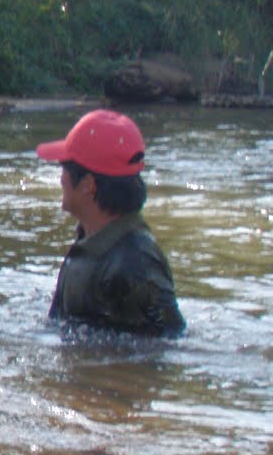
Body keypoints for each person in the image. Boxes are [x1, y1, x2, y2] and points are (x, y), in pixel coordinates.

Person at [35, 108, 185, 335]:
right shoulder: (93, 237)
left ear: (88, 185)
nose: (61, 179)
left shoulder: (136, 265)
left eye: (65, 167)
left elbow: (165, 349)